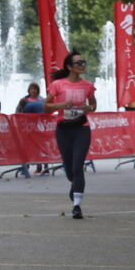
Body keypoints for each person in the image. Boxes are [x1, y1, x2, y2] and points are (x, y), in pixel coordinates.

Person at [45, 51, 97, 218]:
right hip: (64, 129)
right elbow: (46, 105)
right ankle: (74, 186)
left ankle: (76, 205)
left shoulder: (87, 85)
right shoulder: (58, 85)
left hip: (82, 128)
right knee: (69, 170)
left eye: (83, 62)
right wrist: (61, 105)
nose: (82, 65)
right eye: (78, 63)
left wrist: (89, 108)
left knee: (77, 166)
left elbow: (93, 104)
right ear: (69, 66)